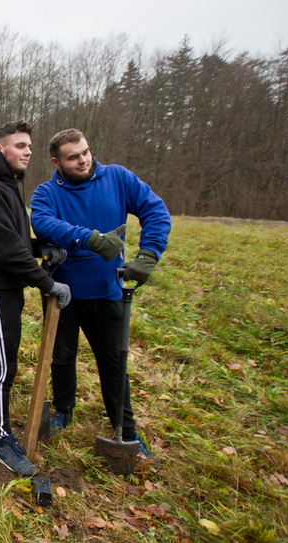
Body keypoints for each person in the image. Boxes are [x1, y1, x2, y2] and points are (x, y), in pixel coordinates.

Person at [30, 128, 171, 461]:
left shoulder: (118, 179)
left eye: (86, 152)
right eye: (73, 157)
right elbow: (43, 223)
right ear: (56, 162)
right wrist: (90, 239)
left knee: (113, 362)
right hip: (62, 293)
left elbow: (155, 210)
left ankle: (126, 430)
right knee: (62, 357)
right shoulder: (46, 192)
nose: (83, 160)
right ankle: (64, 410)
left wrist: (149, 254)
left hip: (107, 291)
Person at [0, 121, 71, 477]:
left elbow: (14, 240)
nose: (27, 151)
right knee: (2, 366)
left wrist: (42, 248)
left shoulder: (7, 187)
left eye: (29, 147)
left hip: (1, 288)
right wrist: (46, 283)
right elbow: (8, 252)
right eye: (20, 145)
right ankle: (2, 439)